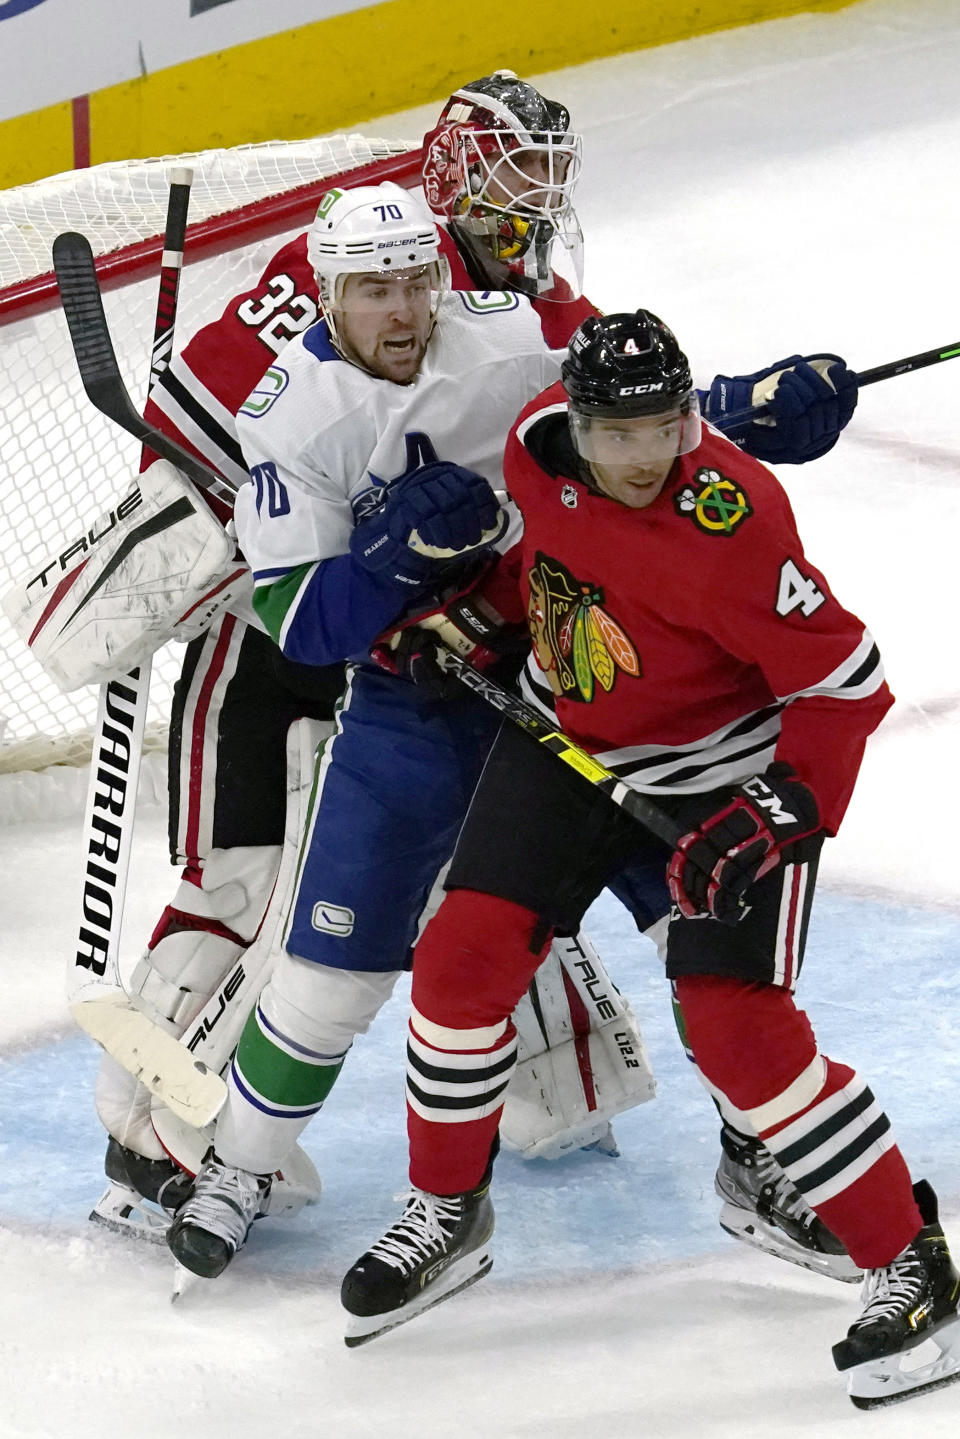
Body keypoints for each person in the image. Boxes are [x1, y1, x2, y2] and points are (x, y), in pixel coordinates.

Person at [89, 71, 858, 1250]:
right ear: (333, 288)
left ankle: (704, 1138)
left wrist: (738, 409)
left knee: (673, 906)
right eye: (374, 290)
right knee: (249, 898)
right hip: (269, 637)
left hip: (518, 665)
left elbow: (612, 419)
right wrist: (385, 568)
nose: (401, 307)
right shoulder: (293, 393)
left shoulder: (500, 315)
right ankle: (170, 1147)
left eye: (414, 284)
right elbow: (270, 577)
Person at [338, 310, 960, 1410]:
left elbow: (847, 687)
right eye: (620, 432)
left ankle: (912, 1260)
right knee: (459, 961)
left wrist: (778, 809)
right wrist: (478, 612)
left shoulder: (737, 522)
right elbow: (549, 558)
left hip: (725, 771)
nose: (645, 456)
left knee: (734, 1025)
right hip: (567, 740)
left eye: (667, 427)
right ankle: (449, 1207)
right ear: (576, 420)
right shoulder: (535, 446)